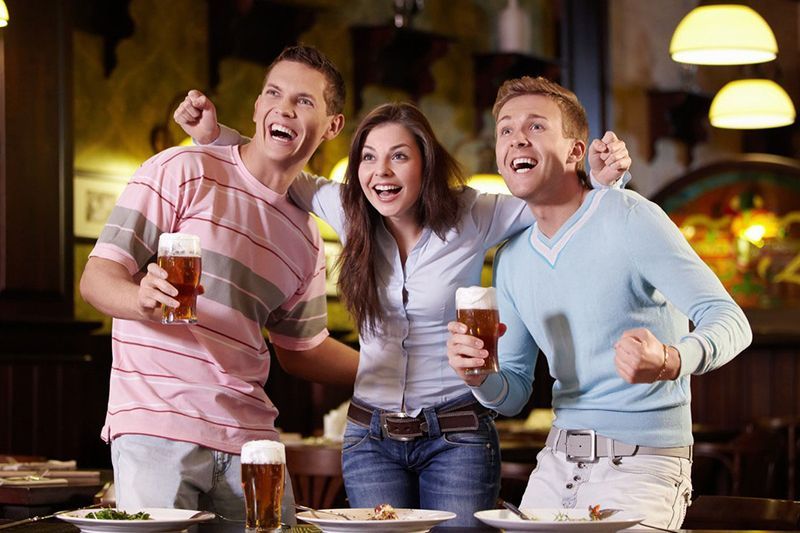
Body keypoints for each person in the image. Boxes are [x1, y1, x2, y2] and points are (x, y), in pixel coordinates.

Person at [174, 95, 630, 526]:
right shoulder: (349, 211)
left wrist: (603, 178)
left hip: (457, 436)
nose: (381, 171)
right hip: (370, 437)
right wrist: (216, 136)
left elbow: (558, 202)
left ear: (426, 163)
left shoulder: (472, 213)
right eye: (368, 157)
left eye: (399, 156)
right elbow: (279, 167)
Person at [446, 76, 753, 529]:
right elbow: (511, 395)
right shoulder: (510, 259)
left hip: (645, 467)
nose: (516, 140)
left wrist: (670, 359)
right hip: (554, 464)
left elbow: (731, 320)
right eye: (506, 130)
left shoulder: (629, 216)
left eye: (535, 127)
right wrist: (478, 376)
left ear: (575, 152)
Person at [79, 45, 359, 520]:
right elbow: (96, 279)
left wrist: (393, 372)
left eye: (305, 101)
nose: (285, 108)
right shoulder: (182, 169)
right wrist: (140, 298)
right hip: (157, 425)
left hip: (252, 442)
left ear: (333, 125)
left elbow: (301, 349)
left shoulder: (306, 234)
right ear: (256, 107)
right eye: (274, 92)